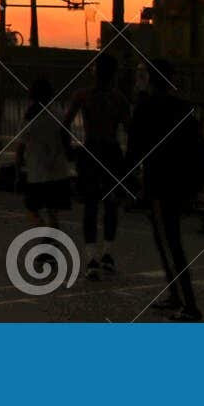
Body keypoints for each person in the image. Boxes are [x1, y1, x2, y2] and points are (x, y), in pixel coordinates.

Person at [128, 61, 204, 320]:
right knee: (168, 240)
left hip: (159, 181)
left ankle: (189, 305)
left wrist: (128, 180)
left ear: (149, 79)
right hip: (180, 179)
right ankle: (176, 295)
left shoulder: (145, 108)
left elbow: (134, 149)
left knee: (170, 242)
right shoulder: (182, 107)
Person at [65, 51, 129, 279]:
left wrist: (68, 150)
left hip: (91, 149)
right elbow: (129, 129)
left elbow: (65, 124)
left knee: (91, 205)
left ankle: (92, 256)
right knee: (110, 204)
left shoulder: (83, 95)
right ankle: (107, 253)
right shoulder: (118, 98)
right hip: (111, 151)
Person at [17, 77, 71, 228]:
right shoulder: (59, 114)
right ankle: (51, 234)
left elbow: (21, 145)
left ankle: (43, 231)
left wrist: (17, 168)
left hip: (37, 171)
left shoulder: (30, 116)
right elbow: (66, 139)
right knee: (52, 211)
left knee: (31, 208)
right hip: (58, 169)